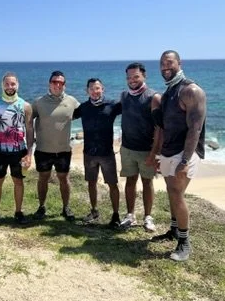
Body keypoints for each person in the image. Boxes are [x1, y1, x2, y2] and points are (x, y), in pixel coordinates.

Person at [151, 50, 206, 262]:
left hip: (184, 153)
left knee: (176, 193)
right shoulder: (169, 93)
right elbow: (165, 127)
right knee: (171, 191)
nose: (165, 66)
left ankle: (184, 242)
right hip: (168, 151)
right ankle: (174, 230)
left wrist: (184, 161)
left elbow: (195, 130)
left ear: (179, 63)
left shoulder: (190, 90)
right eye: (162, 63)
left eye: (169, 62)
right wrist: (158, 154)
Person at [0, 72, 34, 226]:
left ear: (17, 85)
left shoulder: (25, 106)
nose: (10, 87)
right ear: (2, 85)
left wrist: (29, 154)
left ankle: (18, 212)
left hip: (19, 151)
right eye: (7, 84)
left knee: (18, 182)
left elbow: (30, 130)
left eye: (13, 84)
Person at [119, 62, 162, 232]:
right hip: (127, 148)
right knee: (130, 181)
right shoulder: (124, 96)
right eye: (129, 77)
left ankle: (148, 217)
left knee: (147, 182)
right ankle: (130, 215)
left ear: (144, 76)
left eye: (136, 76)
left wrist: (155, 153)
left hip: (146, 150)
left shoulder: (153, 97)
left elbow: (160, 128)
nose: (132, 80)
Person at [73, 78, 121, 227]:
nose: (95, 91)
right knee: (91, 183)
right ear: (87, 91)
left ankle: (116, 215)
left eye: (98, 88)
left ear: (103, 89)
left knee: (112, 184)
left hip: (107, 153)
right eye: (92, 89)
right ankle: (94, 211)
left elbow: (132, 113)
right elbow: (64, 116)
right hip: (89, 153)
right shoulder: (84, 107)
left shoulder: (112, 105)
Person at [32, 70, 80, 221]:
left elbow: (88, 113)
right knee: (43, 178)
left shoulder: (72, 101)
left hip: (63, 150)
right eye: (54, 82)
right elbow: (26, 121)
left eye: (61, 82)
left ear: (64, 85)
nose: (57, 85)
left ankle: (66, 208)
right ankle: (41, 207)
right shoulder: (39, 102)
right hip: (43, 149)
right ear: (49, 83)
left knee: (64, 179)